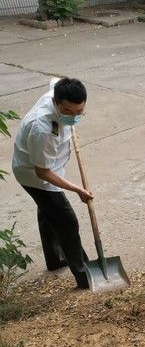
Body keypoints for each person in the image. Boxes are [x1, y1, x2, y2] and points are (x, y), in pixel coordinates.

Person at [12, 78, 91, 289]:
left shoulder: (57, 91)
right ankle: (84, 275)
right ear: (55, 103)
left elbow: (56, 80)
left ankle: (55, 260)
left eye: (79, 112)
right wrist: (77, 189)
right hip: (35, 176)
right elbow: (43, 172)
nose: (74, 116)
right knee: (66, 221)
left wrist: (71, 117)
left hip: (47, 165)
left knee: (49, 213)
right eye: (67, 112)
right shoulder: (42, 129)